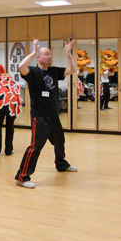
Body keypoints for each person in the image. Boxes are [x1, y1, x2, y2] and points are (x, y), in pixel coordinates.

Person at [14, 39, 78, 189]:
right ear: (39, 58)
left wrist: (68, 53)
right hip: (40, 116)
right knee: (35, 146)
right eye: (46, 55)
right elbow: (21, 66)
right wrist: (33, 52)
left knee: (60, 141)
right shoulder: (32, 72)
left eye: (50, 55)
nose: (50, 57)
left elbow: (73, 69)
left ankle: (61, 164)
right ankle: (22, 177)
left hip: (53, 115)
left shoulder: (54, 71)